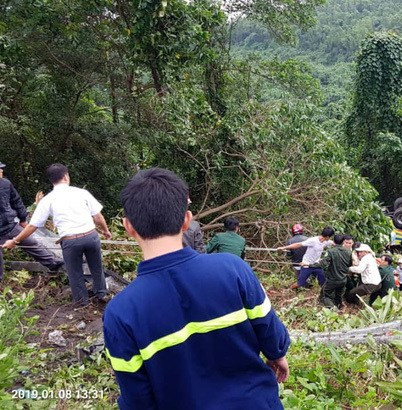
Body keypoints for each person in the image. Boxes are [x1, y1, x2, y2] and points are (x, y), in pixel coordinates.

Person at [103, 168, 290, 409]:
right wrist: (277, 355)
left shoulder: (120, 313)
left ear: (128, 226)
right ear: (186, 220)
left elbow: (137, 398)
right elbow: (268, 330)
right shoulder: (233, 269)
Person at [3, 164, 111, 305]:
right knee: (96, 266)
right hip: (91, 236)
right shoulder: (81, 193)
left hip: (71, 241)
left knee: (75, 273)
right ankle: (101, 294)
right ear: (66, 176)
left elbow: (32, 226)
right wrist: (105, 231)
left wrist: (15, 241)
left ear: (51, 180)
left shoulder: (48, 200)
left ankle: (82, 303)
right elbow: (98, 217)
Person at [0, 161, 64, 280]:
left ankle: (53, 264)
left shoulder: (5, 184)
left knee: (31, 243)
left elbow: (16, 201)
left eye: (1, 169)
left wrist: (23, 219)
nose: (1, 171)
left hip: (10, 225)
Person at [318, 234, 352, 308]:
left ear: (334, 241)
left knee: (326, 296)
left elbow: (323, 264)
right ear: (343, 242)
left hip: (333, 279)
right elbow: (350, 264)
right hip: (343, 279)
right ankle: (339, 307)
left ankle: (333, 309)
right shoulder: (349, 252)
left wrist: (310, 265)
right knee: (338, 296)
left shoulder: (330, 251)